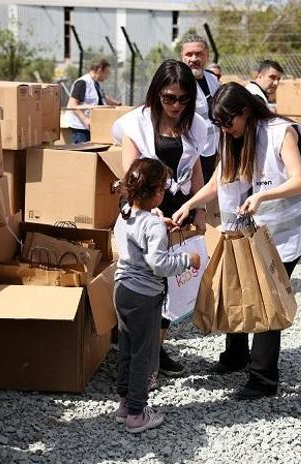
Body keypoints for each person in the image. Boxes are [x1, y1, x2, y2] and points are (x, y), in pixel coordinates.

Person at [172, 83, 301, 399]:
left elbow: (299, 182)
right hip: (245, 229)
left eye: (229, 122)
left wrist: (263, 195)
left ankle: (263, 379)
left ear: (247, 111)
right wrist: (190, 204)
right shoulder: (231, 137)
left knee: (267, 295)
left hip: (284, 235)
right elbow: (217, 182)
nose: (225, 129)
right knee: (234, 285)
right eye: (220, 124)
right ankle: (236, 355)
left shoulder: (282, 133)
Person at [113, 59, 207, 378]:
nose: (176, 105)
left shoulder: (193, 125)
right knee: (147, 284)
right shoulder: (137, 124)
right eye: (169, 98)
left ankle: (155, 351)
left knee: (172, 286)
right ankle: (140, 357)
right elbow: (131, 174)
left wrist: (201, 209)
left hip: (180, 211)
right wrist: (145, 210)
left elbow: (195, 167)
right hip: (148, 211)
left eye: (183, 99)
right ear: (156, 94)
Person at [113, 158, 201, 433]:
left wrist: (156, 222)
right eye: (163, 188)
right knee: (144, 354)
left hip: (123, 290)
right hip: (144, 296)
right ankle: (137, 414)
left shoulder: (126, 211)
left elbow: (140, 229)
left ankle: (125, 404)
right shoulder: (151, 226)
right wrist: (189, 259)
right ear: (157, 192)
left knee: (127, 348)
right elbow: (159, 264)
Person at [180, 34, 220, 183]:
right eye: (189, 54)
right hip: (189, 153)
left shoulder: (212, 79)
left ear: (207, 56)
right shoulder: (178, 82)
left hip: (212, 149)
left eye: (199, 54)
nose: (194, 59)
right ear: (182, 57)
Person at [66, 58, 119, 144]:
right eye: (106, 72)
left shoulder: (95, 83)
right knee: (82, 155)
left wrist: (118, 104)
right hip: (81, 129)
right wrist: (85, 120)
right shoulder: (82, 83)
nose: (107, 76)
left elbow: (102, 98)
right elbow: (72, 105)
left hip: (91, 126)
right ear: (99, 70)